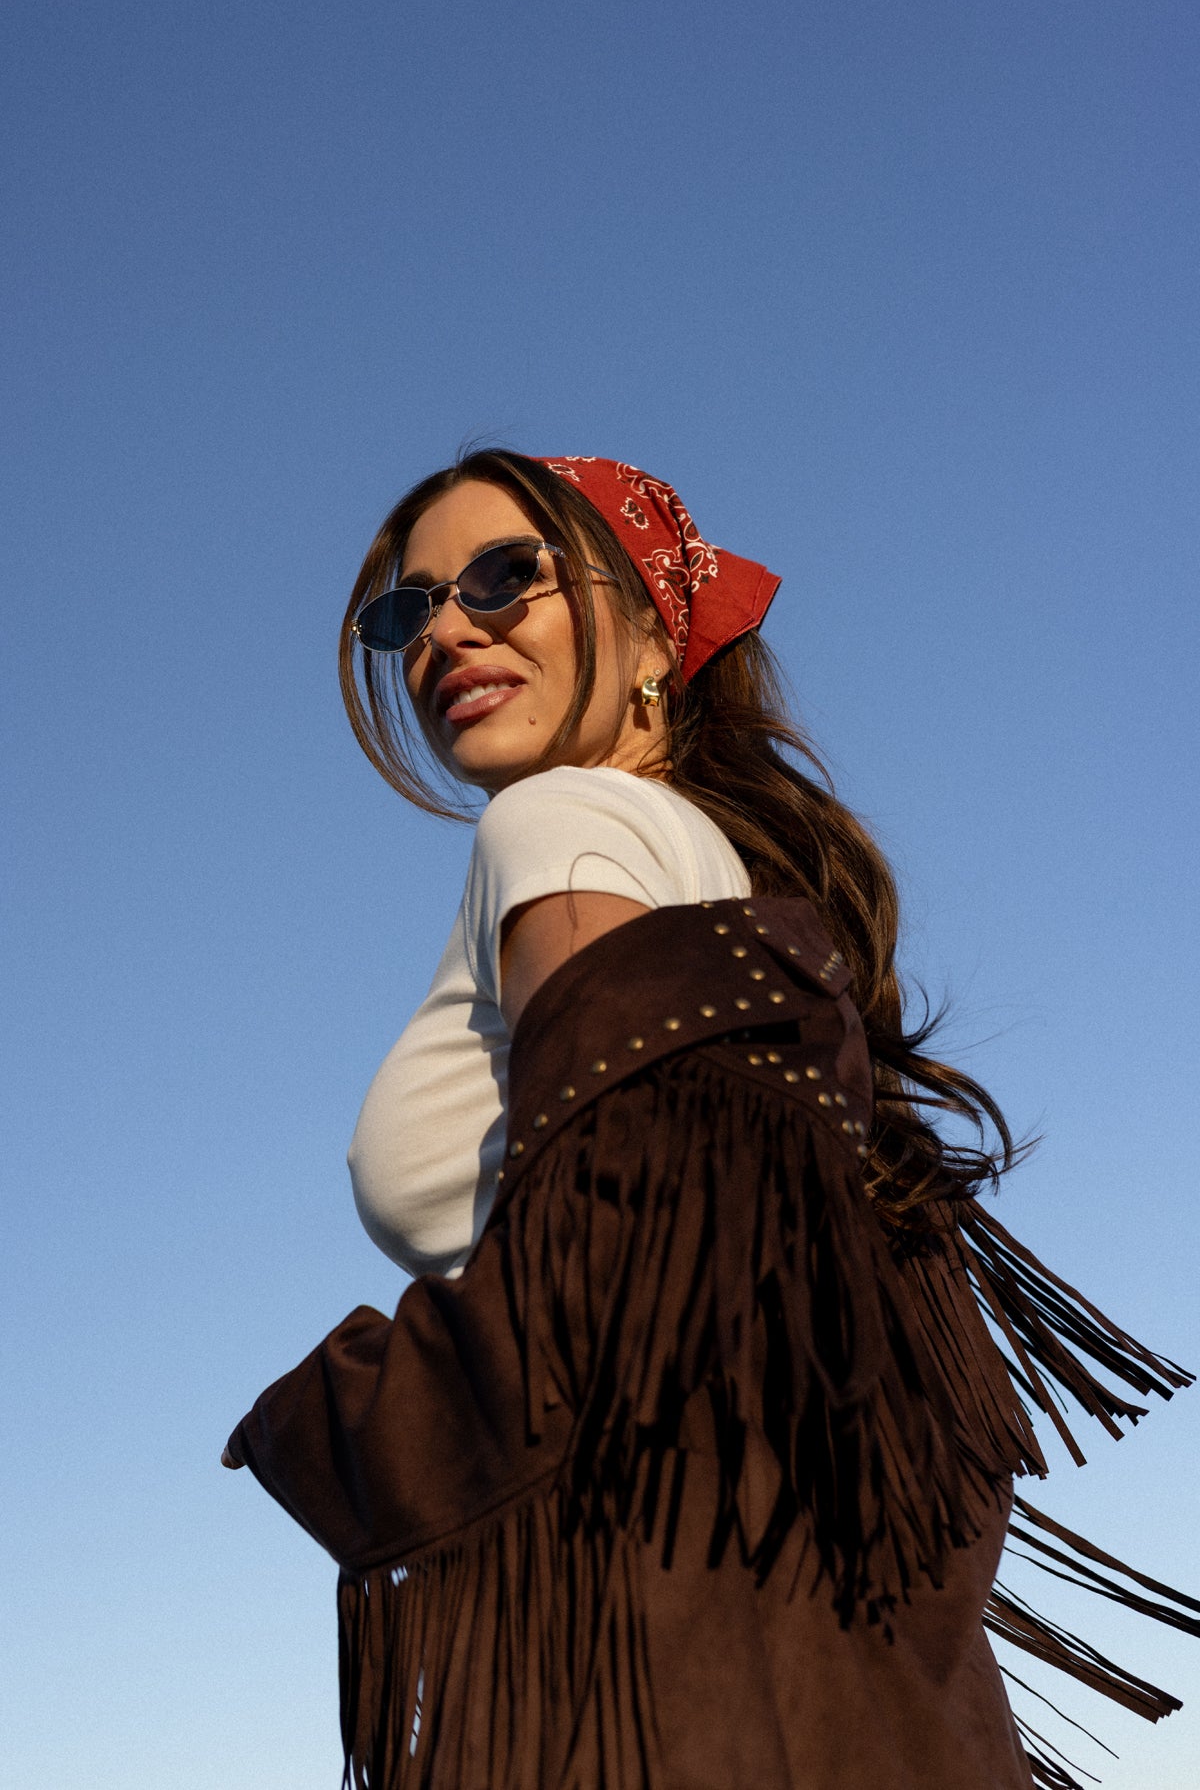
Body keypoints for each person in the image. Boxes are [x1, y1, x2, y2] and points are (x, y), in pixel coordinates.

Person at [225, 451, 1196, 1790]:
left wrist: (358, 1424)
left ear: (645, 634)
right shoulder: (698, 862)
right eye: (409, 611)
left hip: (657, 1650)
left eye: (504, 577)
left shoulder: (556, 822)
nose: (445, 630)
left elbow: (627, 1222)